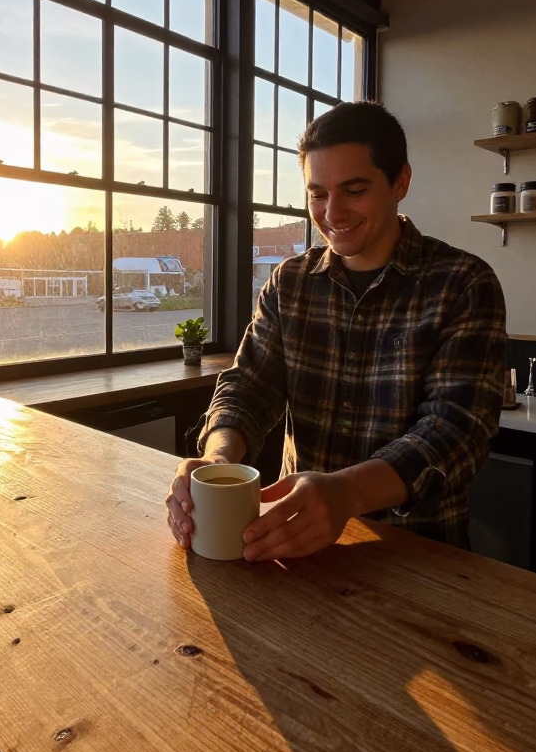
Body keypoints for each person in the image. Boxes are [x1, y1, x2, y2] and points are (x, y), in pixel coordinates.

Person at [166, 102, 506, 560]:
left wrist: (346, 493)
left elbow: (455, 430)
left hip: (419, 557)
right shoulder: (289, 283)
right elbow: (249, 386)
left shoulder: (462, 284)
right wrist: (218, 459)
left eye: (354, 189)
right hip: (296, 550)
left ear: (400, 181)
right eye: (317, 193)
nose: (332, 212)